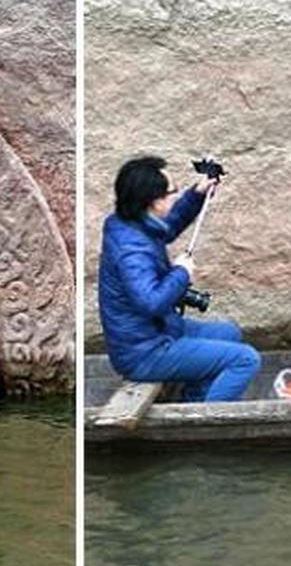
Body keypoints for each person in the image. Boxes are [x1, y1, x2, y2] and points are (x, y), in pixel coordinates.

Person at [98, 155, 260, 401]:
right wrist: (181, 272)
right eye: (171, 191)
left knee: (228, 333)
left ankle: (192, 401)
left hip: (157, 331)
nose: (175, 195)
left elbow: (168, 227)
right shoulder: (131, 251)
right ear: (153, 202)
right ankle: (203, 426)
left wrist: (197, 194)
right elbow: (151, 302)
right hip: (145, 352)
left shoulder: (131, 223)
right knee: (246, 360)